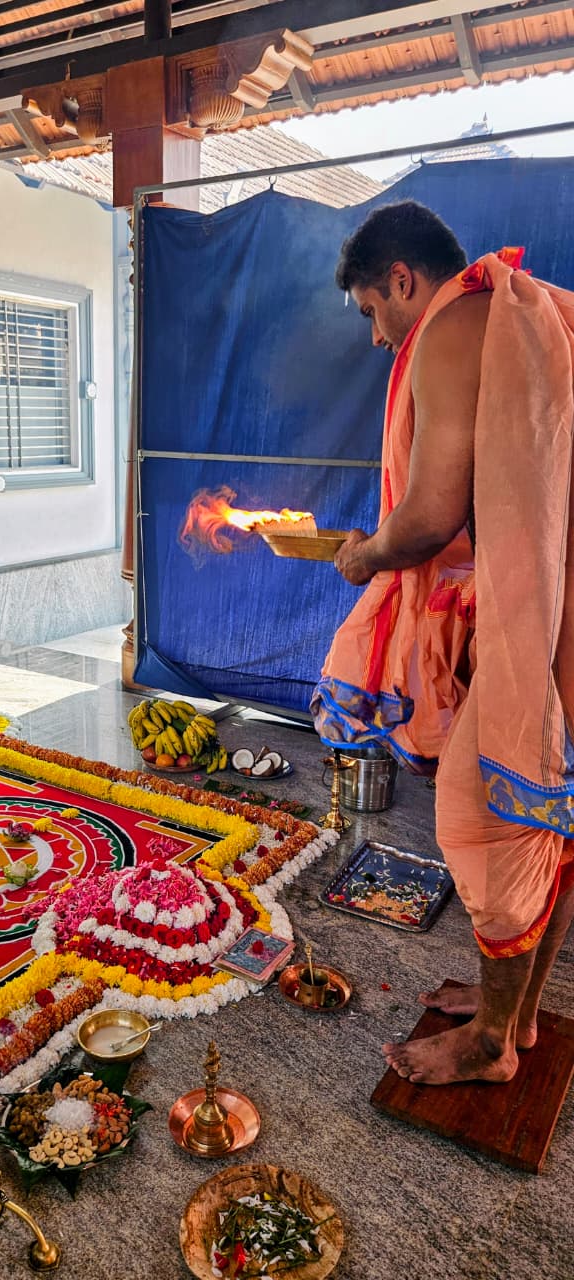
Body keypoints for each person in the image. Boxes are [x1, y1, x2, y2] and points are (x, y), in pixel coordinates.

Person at [310, 200, 574, 1086]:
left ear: (400, 280)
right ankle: (521, 1014)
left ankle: (491, 1047)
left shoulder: (457, 324)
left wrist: (365, 555)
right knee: (551, 817)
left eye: (371, 313)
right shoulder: (521, 310)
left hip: (543, 613)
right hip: (560, 604)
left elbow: (429, 517)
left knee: (489, 808)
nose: (378, 338)